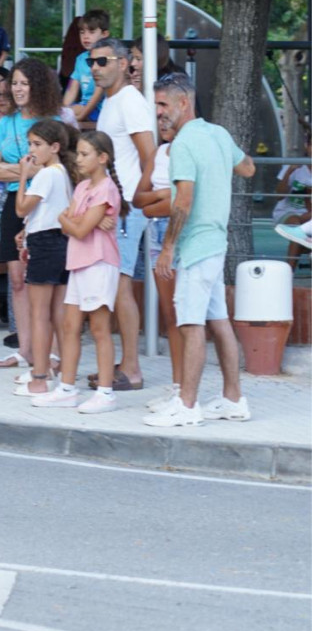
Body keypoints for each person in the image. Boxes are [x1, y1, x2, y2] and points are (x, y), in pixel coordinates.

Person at [145, 73, 256, 427]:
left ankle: (188, 406)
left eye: (163, 104)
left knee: (190, 324)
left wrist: (167, 249)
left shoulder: (183, 144)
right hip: (216, 242)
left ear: (183, 103)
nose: (158, 112)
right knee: (219, 322)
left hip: (195, 247)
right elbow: (249, 168)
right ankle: (234, 399)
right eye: (156, 104)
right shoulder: (218, 134)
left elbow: (183, 202)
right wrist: (218, 168)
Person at [31, 132, 124, 412]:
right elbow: (66, 221)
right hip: (79, 263)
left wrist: (74, 219)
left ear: (102, 158)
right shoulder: (83, 187)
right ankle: (67, 389)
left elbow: (78, 228)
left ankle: (106, 393)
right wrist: (78, 220)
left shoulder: (106, 189)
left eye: (85, 154)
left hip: (98, 263)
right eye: (79, 153)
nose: (79, 159)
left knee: (99, 328)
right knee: (70, 326)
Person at [0, 58, 66, 369]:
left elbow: (58, 167)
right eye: (14, 83)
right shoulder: (6, 122)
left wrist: (20, 171)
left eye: (23, 83)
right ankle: (26, 349)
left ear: (37, 86)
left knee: (47, 280)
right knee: (17, 279)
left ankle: (55, 351)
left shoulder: (54, 121)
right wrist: (23, 170)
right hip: (13, 203)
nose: (17, 89)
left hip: (46, 205)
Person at [91, 37, 156, 390]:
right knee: (115, 286)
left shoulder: (130, 101)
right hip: (116, 204)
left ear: (122, 62)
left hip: (128, 206)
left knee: (121, 286)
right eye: (91, 63)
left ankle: (131, 369)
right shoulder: (113, 101)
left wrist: (134, 200)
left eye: (102, 61)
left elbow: (150, 156)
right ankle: (120, 363)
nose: (96, 68)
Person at [11, 120, 77, 400]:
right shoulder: (63, 174)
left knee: (39, 314)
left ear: (55, 147)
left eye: (37, 144)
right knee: (58, 314)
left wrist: (24, 175)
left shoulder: (47, 174)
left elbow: (21, 207)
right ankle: (63, 371)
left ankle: (40, 377)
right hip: (60, 242)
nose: (32, 150)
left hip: (45, 244)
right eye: (30, 144)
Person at [131, 118, 185, 405]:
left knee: (183, 314)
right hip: (155, 232)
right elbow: (138, 199)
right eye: (159, 117)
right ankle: (178, 386)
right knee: (169, 313)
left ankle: (186, 389)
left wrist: (163, 201)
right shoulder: (159, 152)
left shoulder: (188, 151)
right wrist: (164, 195)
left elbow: (184, 202)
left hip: (178, 231)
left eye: (167, 115)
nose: (163, 122)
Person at [61, 10, 110, 122]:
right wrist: (63, 108)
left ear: (104, 34)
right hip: (83, 107)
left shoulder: (107, 58)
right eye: (82, 32)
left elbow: (99, 92)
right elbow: (72, 89)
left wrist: (80, 114)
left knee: (69, 112)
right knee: (61, 111)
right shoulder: (80, 59)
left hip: (101, 109)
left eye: (91, 32)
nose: (85, 36)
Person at [271, 133, 311, 268]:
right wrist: (289, 172)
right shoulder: (294, 166)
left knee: (300, 234)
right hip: (287, 212)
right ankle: (290, 270)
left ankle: (290, 268)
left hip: (309, 214)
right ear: (307, 146)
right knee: (296, 225)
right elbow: (279, 196)